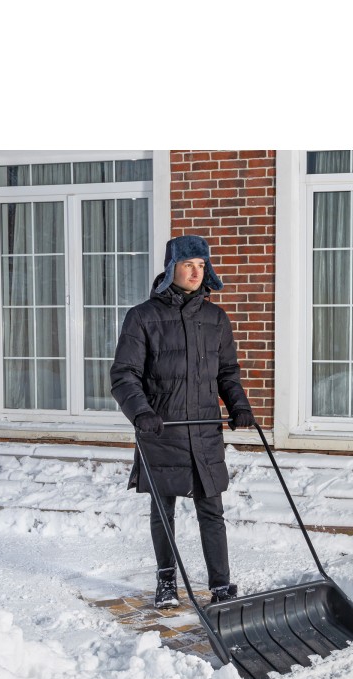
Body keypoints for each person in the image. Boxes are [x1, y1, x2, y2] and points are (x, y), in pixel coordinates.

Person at [110, 234, 255, 610]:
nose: (196, 272)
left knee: (212, 509)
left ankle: (221, 585)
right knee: (164, 508)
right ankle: (165, 580)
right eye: (188, 264)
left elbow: (227, 371)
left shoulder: (215, 318)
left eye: (201, 265)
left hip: (204, 428)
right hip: (162, 428)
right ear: (171, 267)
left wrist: (239, 405)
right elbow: (124, 374)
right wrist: (141, 412)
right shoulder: (142, 317)